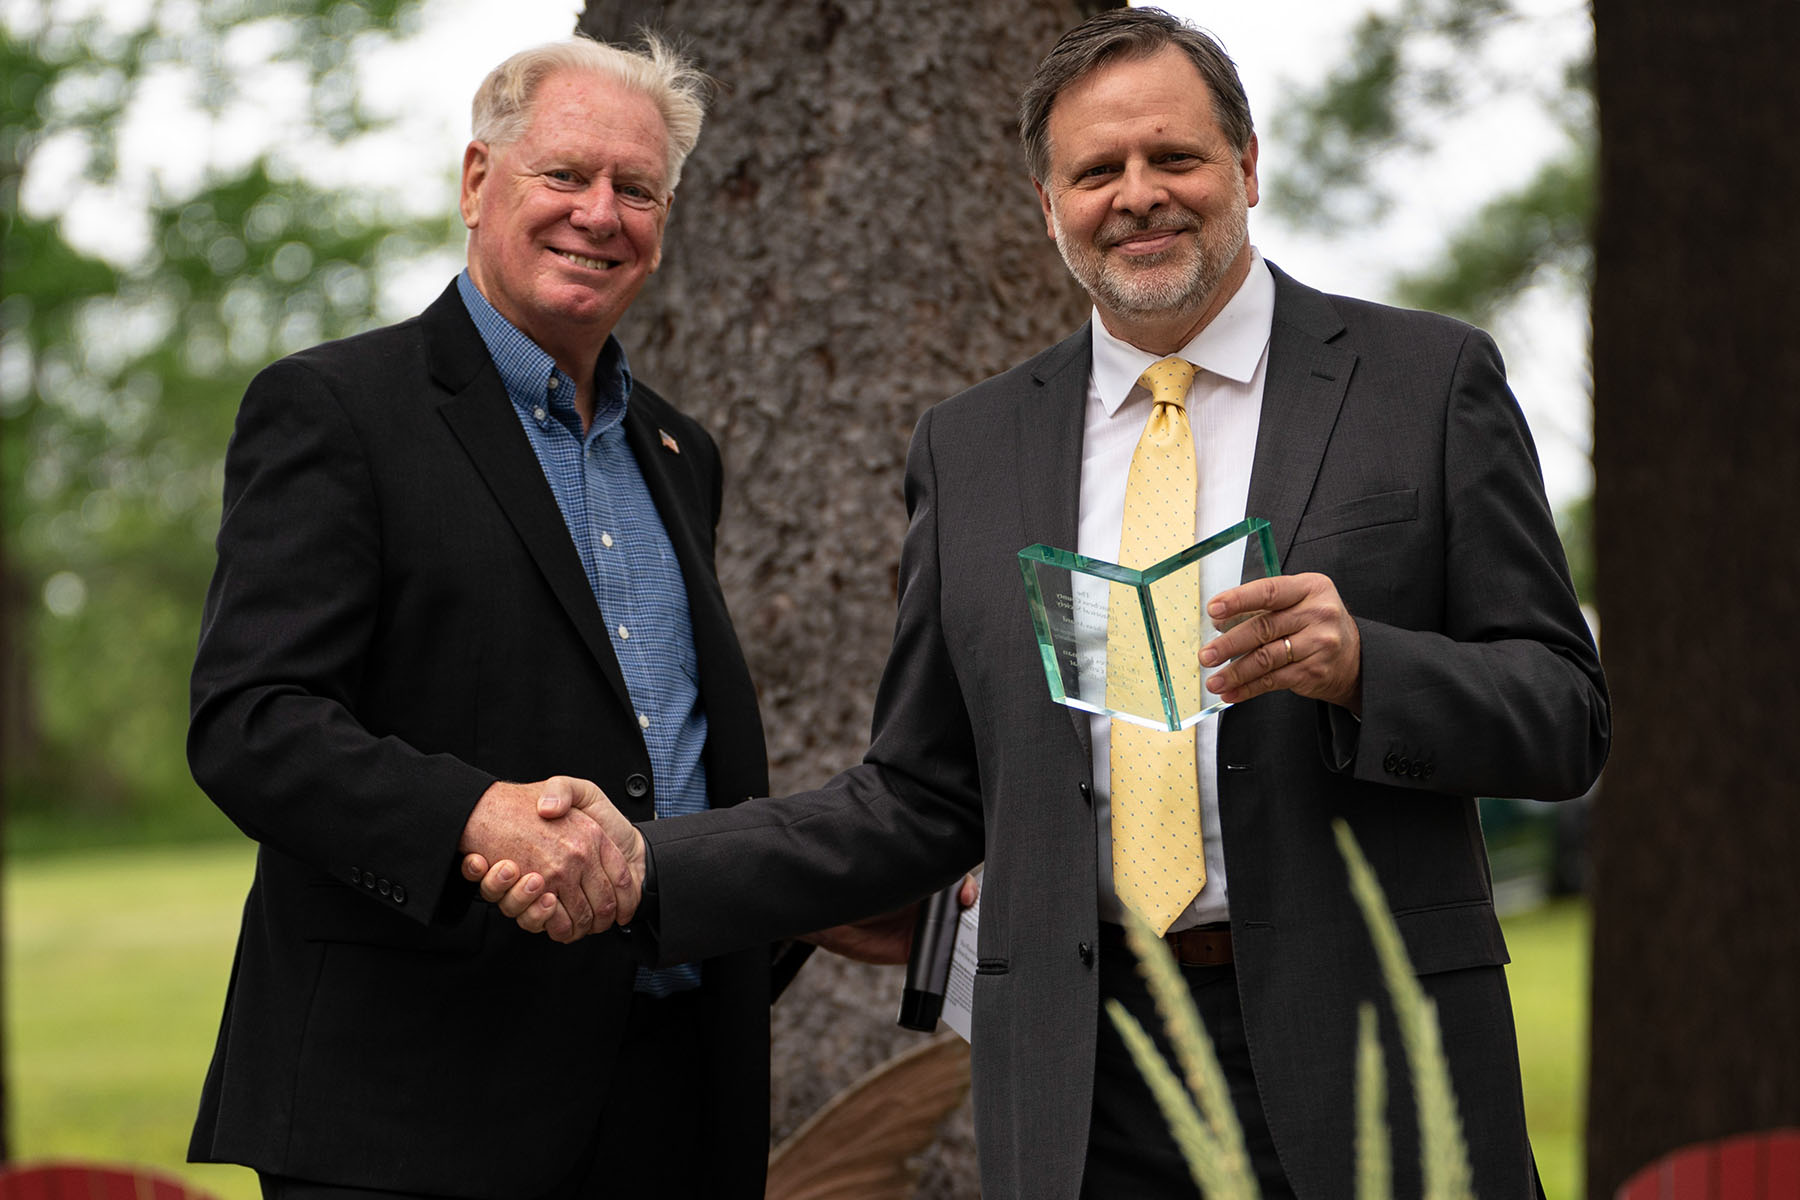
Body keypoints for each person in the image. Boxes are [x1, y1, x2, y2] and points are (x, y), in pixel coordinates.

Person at [474, 9, 1609, 1198]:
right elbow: (917, 797)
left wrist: (1365, 665)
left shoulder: (1424, 384)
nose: (1138, 195)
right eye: (1097, 171)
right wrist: (648, 865)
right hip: (1084, 1082)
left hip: (1371, 1051)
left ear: (1247, 165)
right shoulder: (971, 447)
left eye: (1173, 158)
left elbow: (1565, 714)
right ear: (1045, 200)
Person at [186, 35, 801, 1200]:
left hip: (677, 1090)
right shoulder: (334, 410)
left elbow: (668, 748)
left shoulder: (683, 452)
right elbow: (251, 723)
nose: (599, 214)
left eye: (636, 189)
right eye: (564, 175)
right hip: (417, 1102)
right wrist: (473, 815)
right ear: (478, 182)